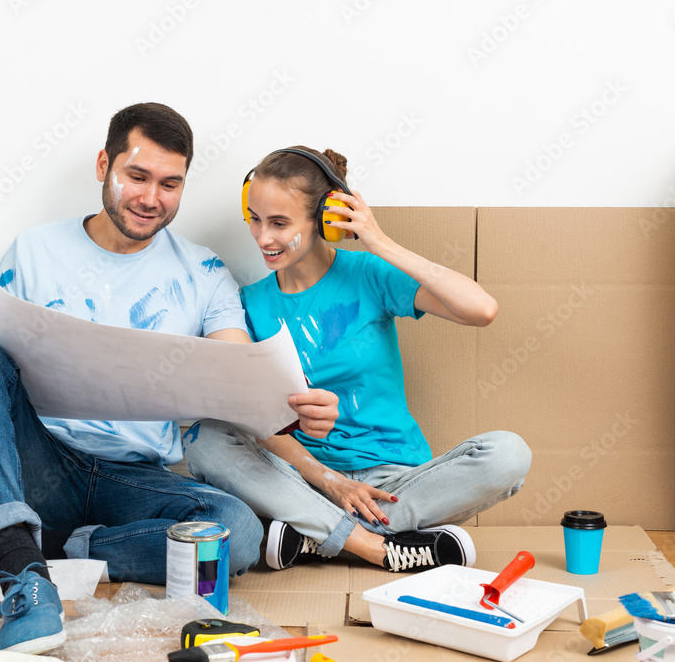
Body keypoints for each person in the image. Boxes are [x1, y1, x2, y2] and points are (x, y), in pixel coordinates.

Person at [0, 107, 338, 654]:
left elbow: (241, 378)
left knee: (236, 532)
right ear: (105, 165)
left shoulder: (203, 272)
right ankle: (26, 578)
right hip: (45, 464)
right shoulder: (35, 250)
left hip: (137, 480)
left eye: (170, 184)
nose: (152, 198)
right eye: (138, 176)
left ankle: (48, 544)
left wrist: (295, 411)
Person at [184, 146, 532, 574]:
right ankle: (376, 547)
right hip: (302, 480)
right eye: (254, 219)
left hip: (393, 484)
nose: (262, 238)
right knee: (206, 438)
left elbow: (481, 310)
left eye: (279, 223)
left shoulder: (369, 274)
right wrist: (326, 479)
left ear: (326, 221)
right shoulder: (249, 305)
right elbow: (256, 421)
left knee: (509, 454)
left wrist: (379, 241)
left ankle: (314, 537)